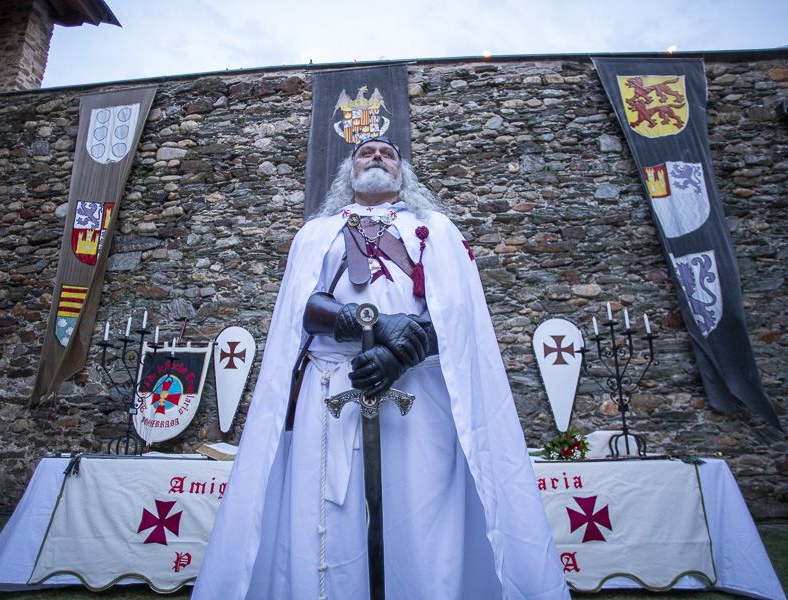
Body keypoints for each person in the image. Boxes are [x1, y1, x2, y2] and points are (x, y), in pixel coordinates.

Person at [193, 137, 570, 600]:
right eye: (366, 153)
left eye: (387, 154)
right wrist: (363, 321)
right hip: (330, 389)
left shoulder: (437, 230)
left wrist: (399, 355)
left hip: (421, 395)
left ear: (402, 172)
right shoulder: (317, 233)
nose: (376, 157)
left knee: (423, 513)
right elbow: (299, 313)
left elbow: (459, 318)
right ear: (349, 172)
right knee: (329, 517)